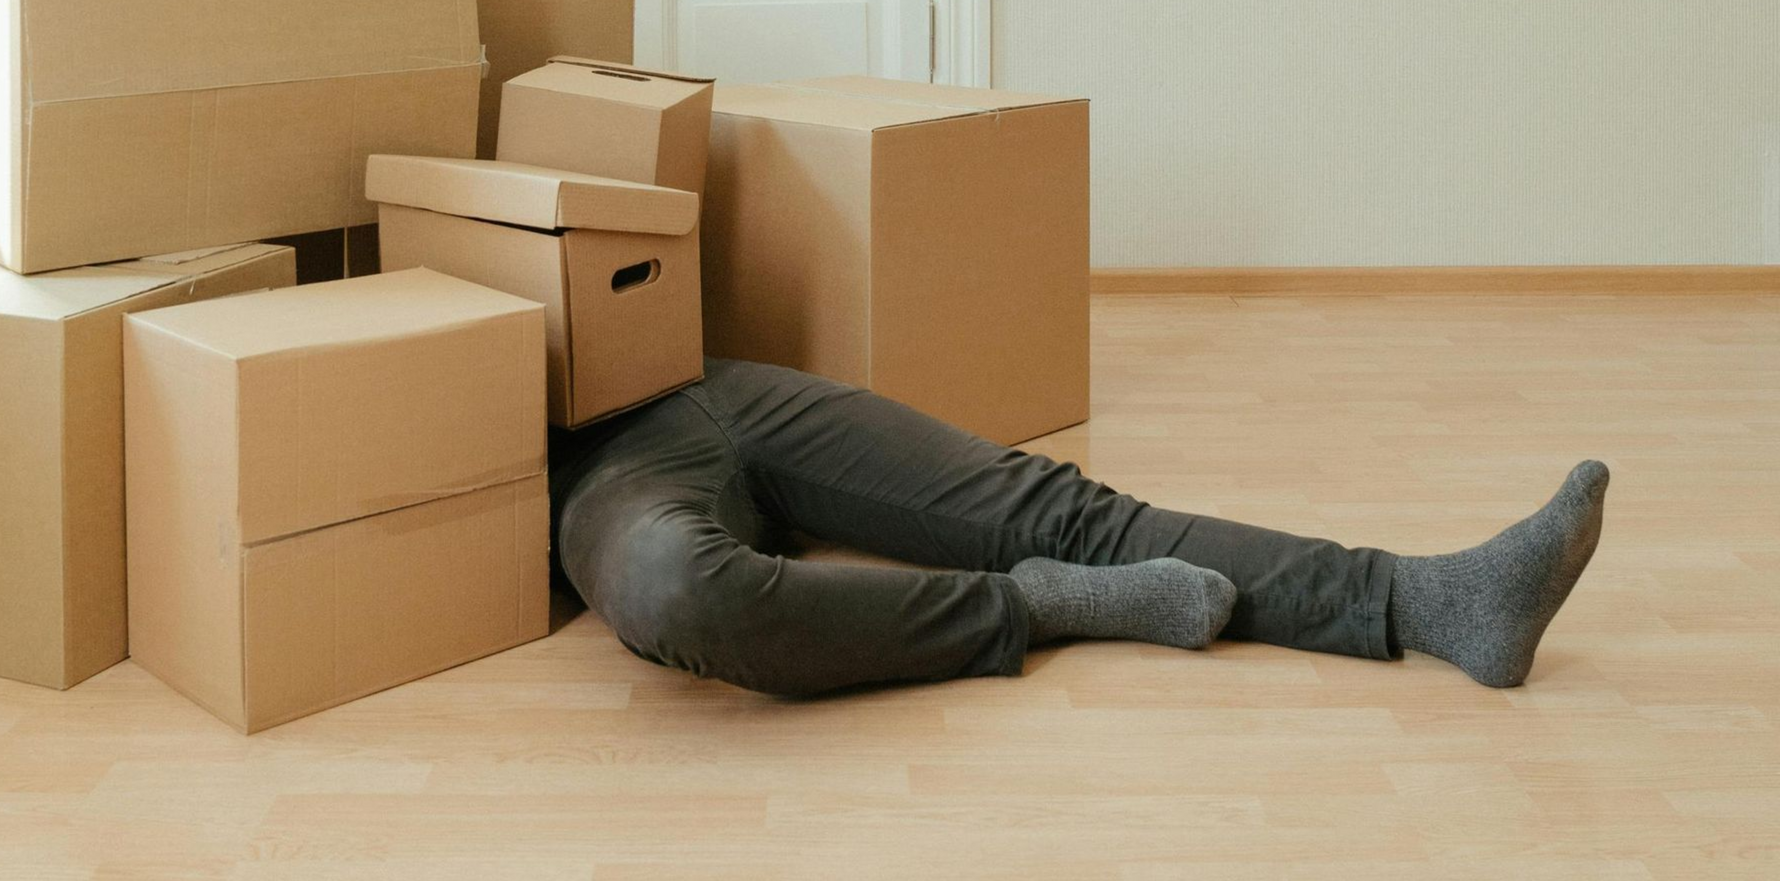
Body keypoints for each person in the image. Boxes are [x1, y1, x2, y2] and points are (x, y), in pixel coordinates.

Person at [549, 359, 1608, 696]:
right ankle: (1040, 605)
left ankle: (1431, 599)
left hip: (691, 374)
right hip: (584, 468)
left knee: (1062, 508)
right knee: (687, 590)